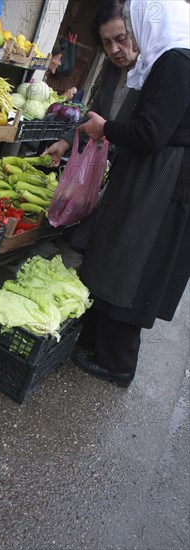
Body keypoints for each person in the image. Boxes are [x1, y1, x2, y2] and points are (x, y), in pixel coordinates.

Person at [71, 0, 190, 387]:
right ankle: (100, 348)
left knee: (132, 265)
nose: (127, 43)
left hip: (161, 179)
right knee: (121, 256)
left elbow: (151, 133)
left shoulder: (176, 63)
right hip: (154, 174)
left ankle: (118, 365)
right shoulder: (165, 61)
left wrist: (106, 129)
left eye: (129, 32)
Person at [44, 0, 140, 269]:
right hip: (110, 161)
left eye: (120, 39)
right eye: (107, 43)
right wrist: (64, 141)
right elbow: (94, 111)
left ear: (136, 33)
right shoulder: (110, 69)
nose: (114, 49)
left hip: (134, 167)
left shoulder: (154, 73)